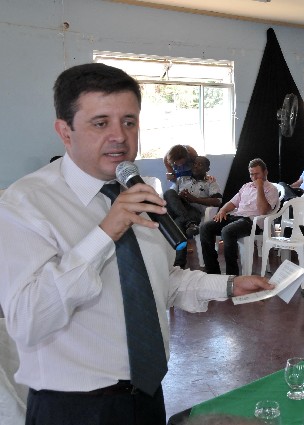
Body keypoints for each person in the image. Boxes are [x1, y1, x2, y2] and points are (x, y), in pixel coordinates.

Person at [0, 63, 273, 425]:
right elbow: (28, 320)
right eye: (101, 123)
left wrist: (228, 284)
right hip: (74, 408)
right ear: (65, 132)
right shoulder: (25, 204)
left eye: (129, 122)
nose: (119, 136)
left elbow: (159, 281)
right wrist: (104, 234)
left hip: (147, 395)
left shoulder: (138, 190)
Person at [200, 158, 280, 275]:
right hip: (236, 216)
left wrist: (260, 188)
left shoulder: (271, 189)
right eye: (251, 174)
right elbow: (232, 203)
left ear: (265, 172)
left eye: (257, 174)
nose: (254, 177)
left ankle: (232, 274)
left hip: (252, 222)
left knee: (227, 231)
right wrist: (222, 210)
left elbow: (263, 210)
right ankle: (212, 272)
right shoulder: (246, 186)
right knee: (205, 227)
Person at [164, 156, 222, 267]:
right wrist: (179, 196)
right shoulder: (182, 179)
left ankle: (179, 264)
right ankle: (190, 223)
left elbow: (217, 201)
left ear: (207, 169)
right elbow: (169, 196)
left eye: (200, 164)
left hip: (195, 213)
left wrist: (194, 199)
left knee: (178, 222)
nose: (196, 166)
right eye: (194, 163)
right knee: (169, 193)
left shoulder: (210, 182)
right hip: (181, 209)